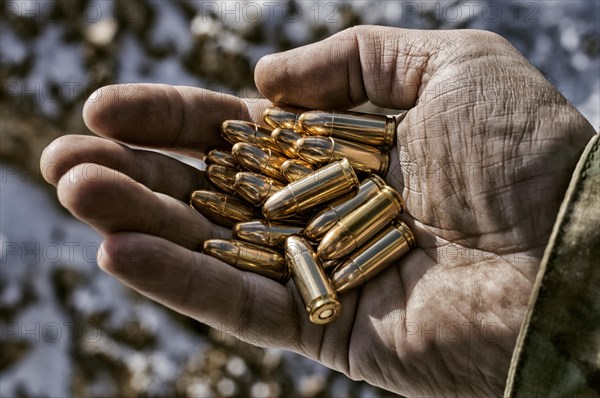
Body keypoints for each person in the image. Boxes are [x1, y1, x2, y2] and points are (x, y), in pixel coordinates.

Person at [40, 26, 598, 397]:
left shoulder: (320, 219)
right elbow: (287, 222)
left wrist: (555, 240)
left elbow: (298, 225)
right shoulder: (299, 216)